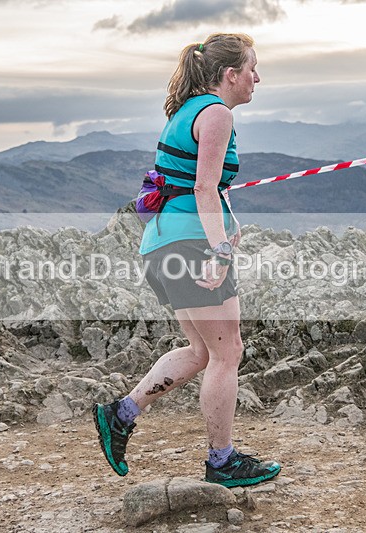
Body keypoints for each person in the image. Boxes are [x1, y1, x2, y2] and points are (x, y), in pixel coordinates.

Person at [92, 33, 280, 488]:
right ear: (230, 75)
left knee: (202, 351)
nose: (258, 76)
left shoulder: (187, 111)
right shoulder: (216, 114)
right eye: (252, 67)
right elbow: (201, 189)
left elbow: (196, 184)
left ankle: (121, 414)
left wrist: (225, 227)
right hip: (190, 246)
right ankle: (222, 461)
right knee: (227, 352)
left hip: (163, 242)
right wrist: (218, 250)